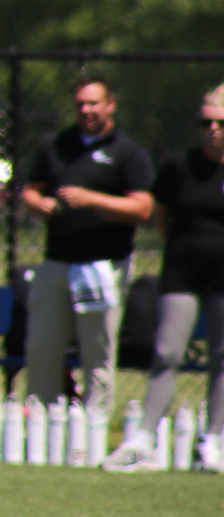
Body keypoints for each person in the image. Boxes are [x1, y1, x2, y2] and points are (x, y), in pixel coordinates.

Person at [102, 84, 224, 473]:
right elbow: (161, 215)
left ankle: (215, 440)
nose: (212, 130)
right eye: (205, 122)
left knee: (222, 358)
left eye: (219, 122)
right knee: (167, 352)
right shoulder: (178, 165)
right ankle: (142, 440)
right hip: (183, 271)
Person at [19, 74, 153, 427]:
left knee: (98, 351)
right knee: (43, 348)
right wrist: (38, 204)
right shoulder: (56, 144)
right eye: (79, 103)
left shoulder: (127, 151)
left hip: (103, 265)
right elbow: (30, 189)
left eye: (93, 102)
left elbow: (142, 209)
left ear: (110, 105)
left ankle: (92, 426)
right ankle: (40, 422)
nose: (85, 110)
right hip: (57, 262)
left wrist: (90, 199)